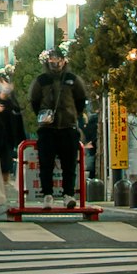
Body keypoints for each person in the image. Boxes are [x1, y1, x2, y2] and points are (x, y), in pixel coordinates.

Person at [27, 52, 85, 200]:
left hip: (68, 128)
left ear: (64, 61)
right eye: (52, 59)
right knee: (46, 164)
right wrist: (43, 116)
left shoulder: (73, 80)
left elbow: (80, 100)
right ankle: (47, 194)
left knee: (69, 165)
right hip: (47, 129)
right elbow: (34, 101)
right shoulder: (41, 80)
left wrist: (72, 115)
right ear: (47, 61)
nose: (55, 63)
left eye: (58, 59)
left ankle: (69, 195)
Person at [0, 72, 29, 207]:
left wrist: (22, 142)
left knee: (5, 170)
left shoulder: (13, 103)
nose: (2, 85)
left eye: (4, 82)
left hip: (7, 141)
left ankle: (1, 197)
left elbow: (17, 123)